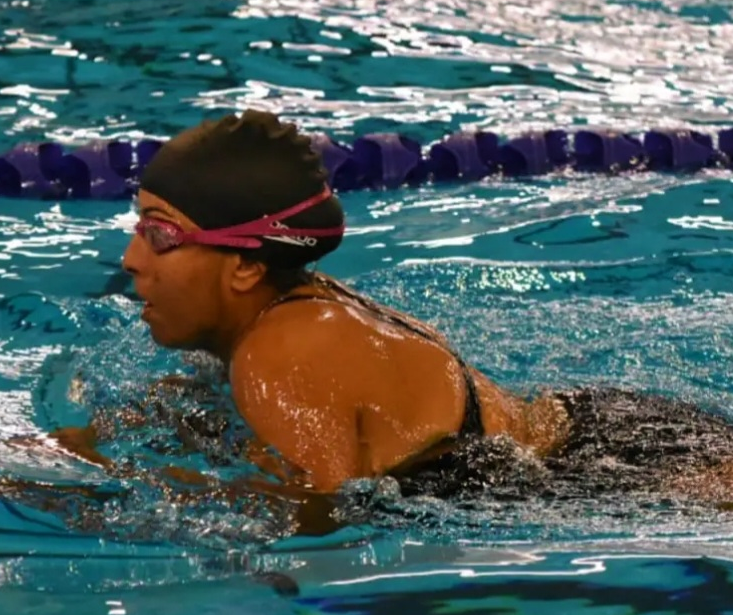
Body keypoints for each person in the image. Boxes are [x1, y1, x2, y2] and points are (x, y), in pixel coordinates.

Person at [41, 107, 733, 532]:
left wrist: (102, 491)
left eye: (162, 234)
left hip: (609, 474)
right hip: (592, 427)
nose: (131, 259)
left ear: (247, 266)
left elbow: (314, 513)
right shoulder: (289, 317)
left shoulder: (279, 353)